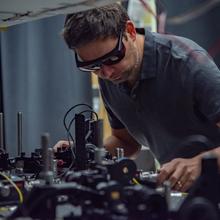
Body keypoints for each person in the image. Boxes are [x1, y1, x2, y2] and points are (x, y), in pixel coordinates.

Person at [58, 3, 220, 192]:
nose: (106, 73)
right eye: (92, 66)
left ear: (130, 31)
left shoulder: (188, 63)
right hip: (184, 194)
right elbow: (126, 142)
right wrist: (84, 152)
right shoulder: (108, 75)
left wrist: (201, 163)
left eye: (113, 58)